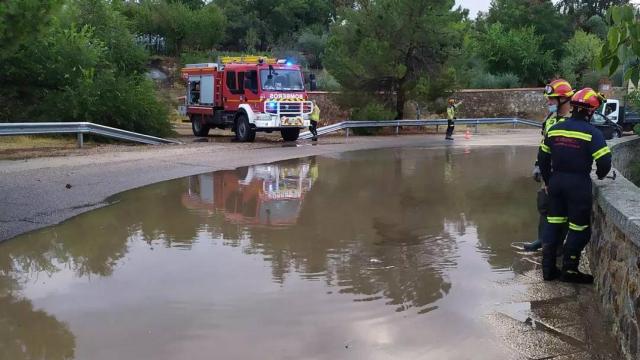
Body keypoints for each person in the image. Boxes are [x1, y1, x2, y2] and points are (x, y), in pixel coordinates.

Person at [537, 88, 611, 283]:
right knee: (579, 228)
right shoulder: (592, 133)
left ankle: (548, 270)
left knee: (553, 225)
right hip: (578, 185)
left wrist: (548, 181)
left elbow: (542, 158)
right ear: (590, 111)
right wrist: (601, 176)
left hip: (556, 183)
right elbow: (604, 163)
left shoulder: (555, 128)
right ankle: (569, 271)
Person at [524, 79, 574, 251]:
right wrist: (539, 165)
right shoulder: (550, 119)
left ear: (564, 99)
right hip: (548, 172)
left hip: (564, 174)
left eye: (552, 98)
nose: (549, 102)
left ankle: (558, 247)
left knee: (562, 212)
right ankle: (542, 241)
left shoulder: (574, 121)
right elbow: (543, 144)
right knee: (544, 206)